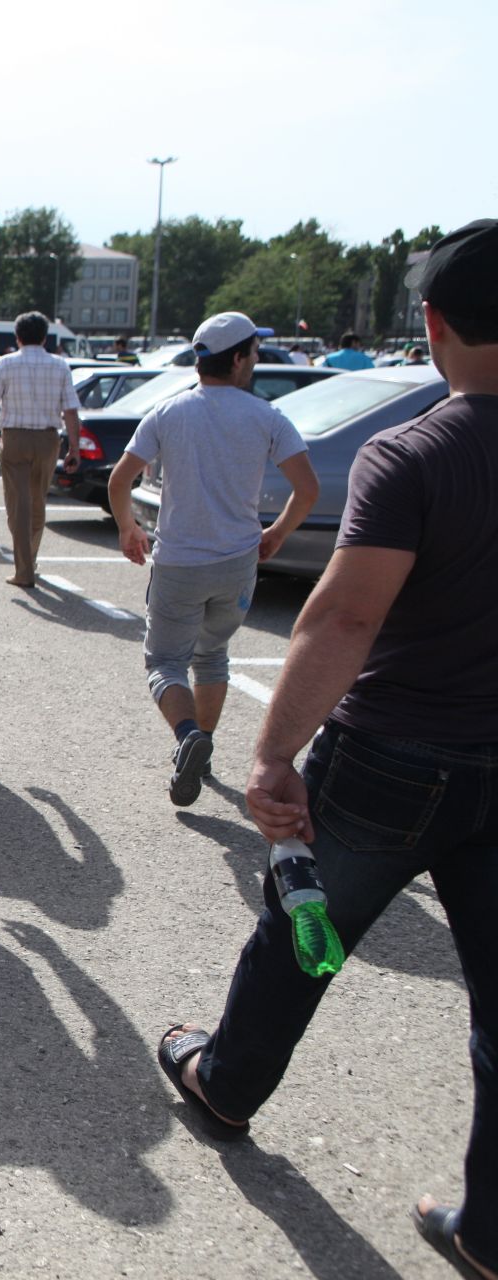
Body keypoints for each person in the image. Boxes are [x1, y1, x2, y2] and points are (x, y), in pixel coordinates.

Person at [159, 218, 498, 1280]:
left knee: (304, 936)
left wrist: (270, 753)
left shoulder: (416, 453)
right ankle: (491, 1224)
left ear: (434, 324)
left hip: (393, 756)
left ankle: (226, 1081)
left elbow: (342, 618)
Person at [110, 311, 320, 806]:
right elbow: (307, 488)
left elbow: (120, 480)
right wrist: (277, 533)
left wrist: (128, 527)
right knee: (212, 655)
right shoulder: (267, 417)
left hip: (180, 559)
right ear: (241, 359)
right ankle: (201, 750)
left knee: (164, 661)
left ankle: (189, 738)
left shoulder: (169, 412)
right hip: (238, 561)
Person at [0, 310, 84, 589]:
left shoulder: (5, 364)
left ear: (17, 337)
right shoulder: (60, 365)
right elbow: (70, 410)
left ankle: (24, 569)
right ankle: (30, 559)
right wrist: (74, 448)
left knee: (17, 504)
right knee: (38, 501)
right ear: (45, 337)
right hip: (47, 440)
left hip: (14, 438)